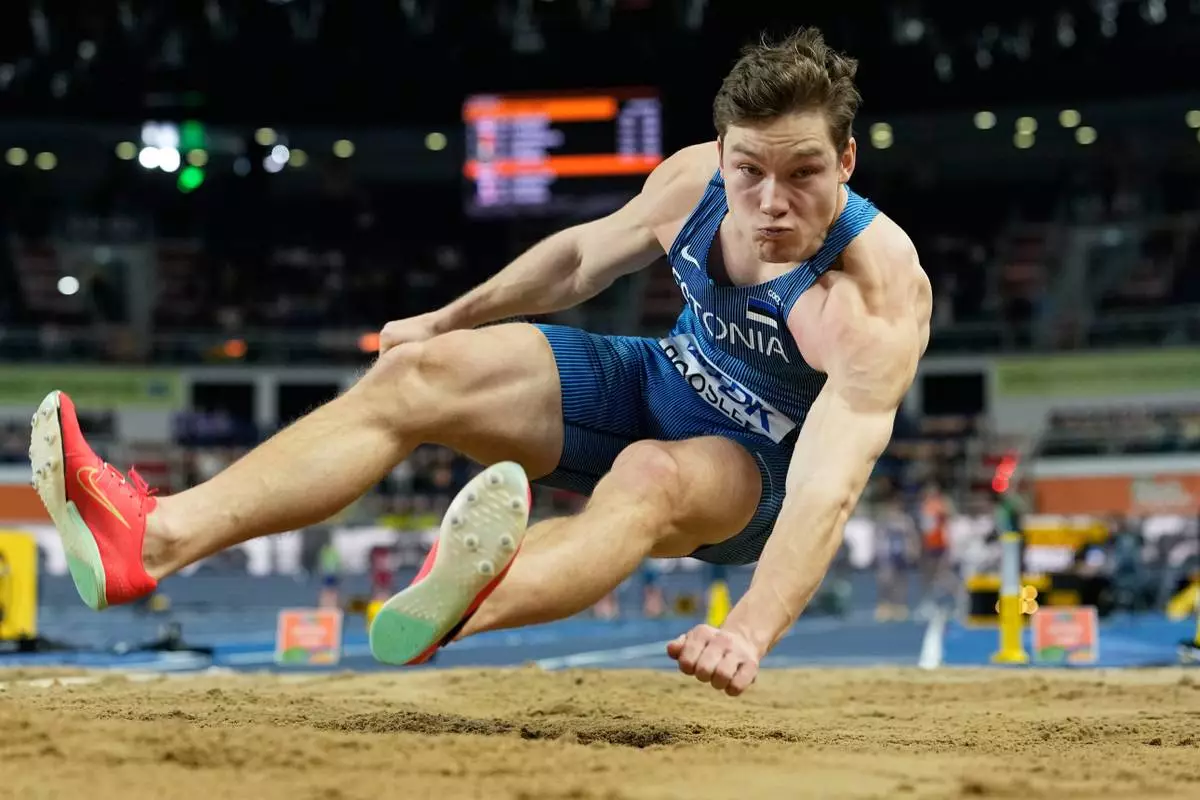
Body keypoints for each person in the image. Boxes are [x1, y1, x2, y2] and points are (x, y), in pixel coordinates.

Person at [28, 27, 931, 697]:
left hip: (748, 469)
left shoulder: (873, 294)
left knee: (651, 476)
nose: (772, 203)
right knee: (417, 375)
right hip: (656, 375)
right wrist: (446, 317)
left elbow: (827, 488)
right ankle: (150, 540)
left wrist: (750, 631)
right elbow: (580, 259)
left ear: (847, 161)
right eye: (750, 172)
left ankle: (461, 600)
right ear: (725, 153)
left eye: (805, 173)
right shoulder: (695, 178)